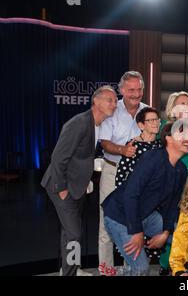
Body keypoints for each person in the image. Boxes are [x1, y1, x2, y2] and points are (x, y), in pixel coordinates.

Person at [41, 85, 117, 276]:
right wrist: (62, 189)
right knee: (74, 234)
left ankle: (71, 269)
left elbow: (81, 157)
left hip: (78, 187)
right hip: (62, 186)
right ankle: (69, 273)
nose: (114, 104)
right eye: (110, 99)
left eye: (115, 100)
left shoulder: (97, 124)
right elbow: (59, 157)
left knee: (70, 234)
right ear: (96, 101)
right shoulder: (80, 123)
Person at [102, 122, 188, 276]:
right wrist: (136, 231)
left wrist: (165, 232)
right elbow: (131, 194)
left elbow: (174, 206)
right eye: (182, 134)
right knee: (141, 269)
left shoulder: (181, 169)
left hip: (146, 215)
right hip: (120, 216)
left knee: (183, 237)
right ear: (168, 138)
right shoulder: (153, 158)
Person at [97, 71, 147, 275]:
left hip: (137, 176)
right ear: (122, 90)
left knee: (135, 221)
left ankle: (131, 268)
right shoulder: (112, 109)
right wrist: (123, 150)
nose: (136, 94)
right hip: (112, 170)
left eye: (139, 89)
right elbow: (105, 142)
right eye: (131, 90)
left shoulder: (148, 111)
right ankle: (106, 270)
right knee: (106, 224)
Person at [159, 91, 188, 274]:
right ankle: (166, 263)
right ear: (172, 107)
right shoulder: (164, 126)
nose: (186, 105)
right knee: (170, 223)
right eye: (181, 103)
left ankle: (185, 263)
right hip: (170, 181)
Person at [113, 107, 162, 191]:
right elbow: (123, 171)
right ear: (141, 125)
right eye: (150, 120)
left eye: (157, 119)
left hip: (156, 190)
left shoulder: (161, 144)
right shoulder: (133, 144)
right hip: (136, 190)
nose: (155, 123)